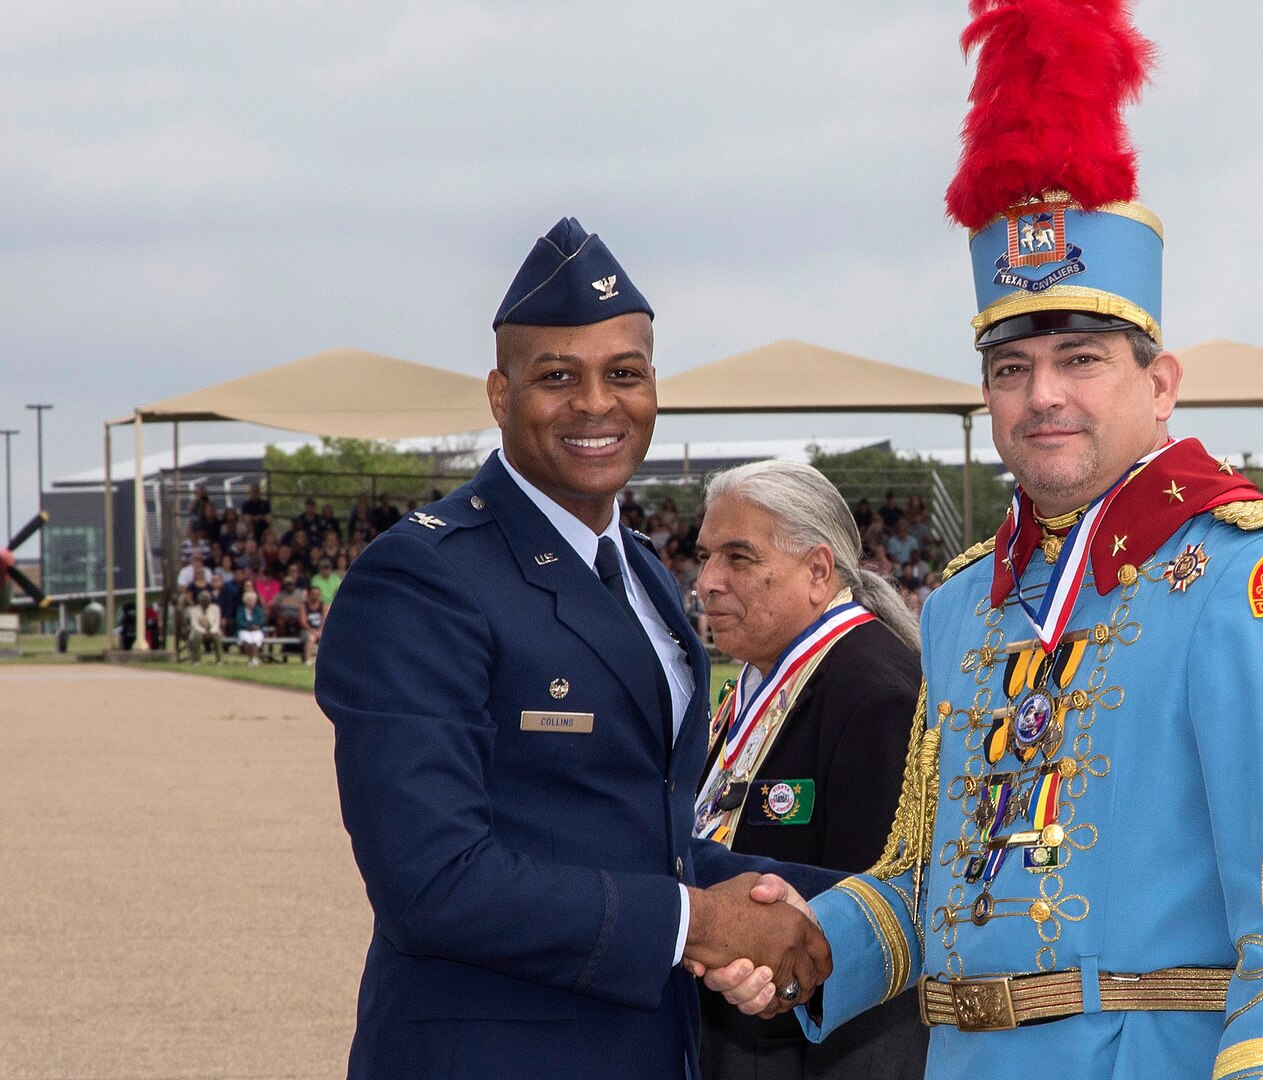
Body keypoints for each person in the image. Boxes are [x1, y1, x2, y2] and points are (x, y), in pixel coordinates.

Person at [706, 7, 1263, 1076]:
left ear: (1157, 382)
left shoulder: (1239, 572)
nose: (1042, 396)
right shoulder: (956, 606)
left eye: (1080, 359)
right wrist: (800, 945)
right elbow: (919, 883)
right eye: (1008, 369)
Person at [313, 218, 836, 1080]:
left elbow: (644, 839)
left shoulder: (644, 578)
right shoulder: (421, 577)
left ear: (653, 386)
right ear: (498, 394)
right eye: (557, 377)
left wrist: (851, 904)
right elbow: (432, 880)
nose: (596, 404)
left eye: (623, 374)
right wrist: (703, 923)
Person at [692, 461, 929, 1080]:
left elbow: (881, 933)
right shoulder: (762, 680)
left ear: (819, 572)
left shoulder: (875, 694)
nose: (707, 582)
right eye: (706, 556)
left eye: (737, 558)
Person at [184, 589, 224, 664]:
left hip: (212, 629)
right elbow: (194, 624)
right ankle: (197, 660)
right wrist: (204, 631)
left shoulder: (215, 608)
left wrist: (210, 632)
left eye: (207, 600)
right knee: (197, 636)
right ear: (200, 601)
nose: (206, 602)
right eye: (204, 600)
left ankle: (219, 660)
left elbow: (216, 623)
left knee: (217, 636)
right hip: (199, 630)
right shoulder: (194, 610)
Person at [235, 589, 266, 665]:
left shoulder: (258, 610)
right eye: (250, 600)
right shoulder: (240, 610)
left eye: (253, 600)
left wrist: (254, 626)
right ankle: (250, 659)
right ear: (246, 601)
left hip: (256, 630)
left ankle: (252, 659)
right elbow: (239, 621)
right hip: (244, 629)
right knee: (246, 640)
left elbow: (261, 621)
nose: (252, 602)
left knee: (256, 639)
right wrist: (249, 626)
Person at [299, 586, 327, 666]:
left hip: (320, 630)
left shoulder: (323, 605)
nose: (315, 596)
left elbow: (324, 620)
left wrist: (320, 631)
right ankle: (308, 659)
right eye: (313, 594)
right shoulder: (304, 606)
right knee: (311, 638)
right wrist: (312, 631)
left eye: (317, 594)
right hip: (306, 630)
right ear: (309, 595)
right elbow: (303, 622)